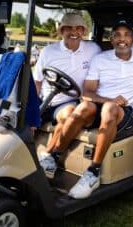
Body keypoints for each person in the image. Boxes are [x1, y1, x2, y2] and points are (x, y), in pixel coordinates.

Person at [49, 20, 133, 199]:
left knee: (109, 109)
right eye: (117, 35)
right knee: (84, 106)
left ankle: (93, 172)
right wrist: (109, 99)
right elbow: (87, 92)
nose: (122, 39)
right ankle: (54, 156)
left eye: (127, 35)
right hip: (101, 105)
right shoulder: (101, 59)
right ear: (111, 39)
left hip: (125, 112)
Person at [35, 13, 101, 171]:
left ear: (83, 31)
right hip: (46, 99)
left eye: (78, 28)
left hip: (68, 101)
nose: (74, 32)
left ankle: (48, 154)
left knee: (69, 113)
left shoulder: (93, 49)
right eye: (69, 28)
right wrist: (32, 109)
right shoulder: (48, 52)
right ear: (61, 31)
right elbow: (37, 81)